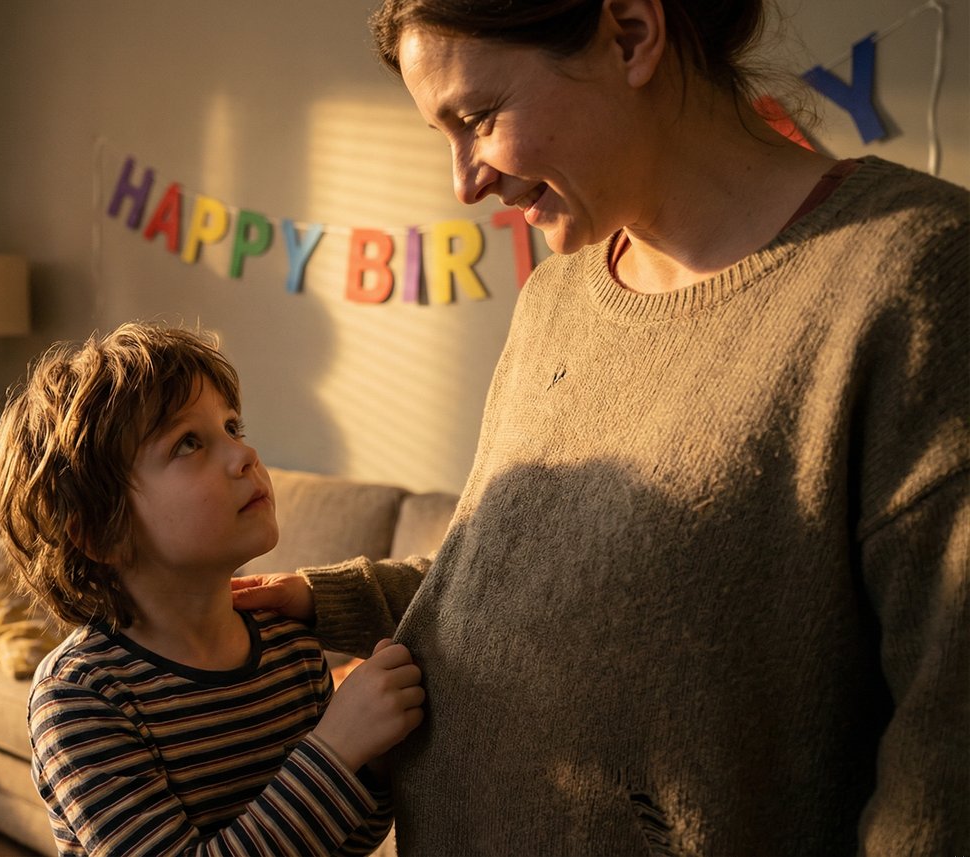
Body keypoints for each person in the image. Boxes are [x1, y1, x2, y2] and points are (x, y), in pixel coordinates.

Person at [233, 0, 968, 853]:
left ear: (630, 34)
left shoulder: (916, 284)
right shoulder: (560, 295)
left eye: (477, 118)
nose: (465, 182)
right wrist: (332, 602)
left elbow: (943, 778)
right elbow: (528, 575)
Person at [0, 321, 425, 856]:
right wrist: (335, 750)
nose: (245, 455)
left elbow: (344, 840)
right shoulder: (81, 696)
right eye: (188, 443)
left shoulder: (290, 645)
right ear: (102, 532)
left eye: (233, 427)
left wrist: (371, 759)